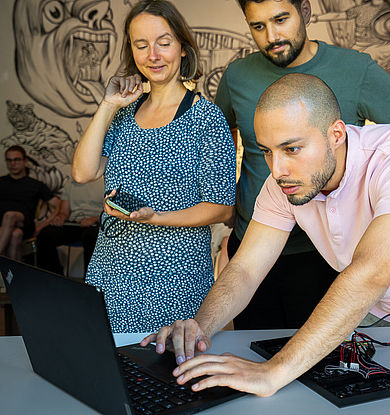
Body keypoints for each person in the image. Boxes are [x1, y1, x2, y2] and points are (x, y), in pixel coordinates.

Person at [141, 73, 390, 397]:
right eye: (266, 150)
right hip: (377, 315)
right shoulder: (284, 183)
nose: (277, 170)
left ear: (336, 134)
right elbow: (246, 268)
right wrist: (200, 326)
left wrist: (272, 372)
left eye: (291, 149)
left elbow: (371, 272)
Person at [214, 0, 390, 330]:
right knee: (251, 351)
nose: (271, 35)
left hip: (324, 253)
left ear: (306, 11)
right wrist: (230, 211)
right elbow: (222, 143)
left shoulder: (356, 69)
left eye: (281, 19)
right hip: (255, 241)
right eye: (258, 26)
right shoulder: (237, 75)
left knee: (319, 362)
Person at [71, 0, 236, 333]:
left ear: (183, 49)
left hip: (175, 277)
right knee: (114, 373)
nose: (153, 55)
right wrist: (107, 105)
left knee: (169, 375)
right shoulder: (122, 114)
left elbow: (221, 209)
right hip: (113, 271)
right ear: (131, 52)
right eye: (141, 45)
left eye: (163, 42)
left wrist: (155, 217)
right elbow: (83, 173)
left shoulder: (207, 119)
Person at [0, 145, 59, 260]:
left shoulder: (36, 185)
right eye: (9, 160)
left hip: (25, 224)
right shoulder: (1, 182)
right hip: (3, 225)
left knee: (10, 215)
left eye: (16, 159)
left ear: (25, 161)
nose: (13, 164)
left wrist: (42, 225)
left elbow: (57, 205)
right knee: (15, 235)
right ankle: (13, 276)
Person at [36, 177, 104, 276]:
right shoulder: (71, 183)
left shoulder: (105, 181)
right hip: (74, 223)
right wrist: (61, 217)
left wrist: (95, 218)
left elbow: (110, 212)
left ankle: (90, 282)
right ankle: (53, 276)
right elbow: (64, 211)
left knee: (91, 236)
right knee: (46, 234)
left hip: (95, 224)